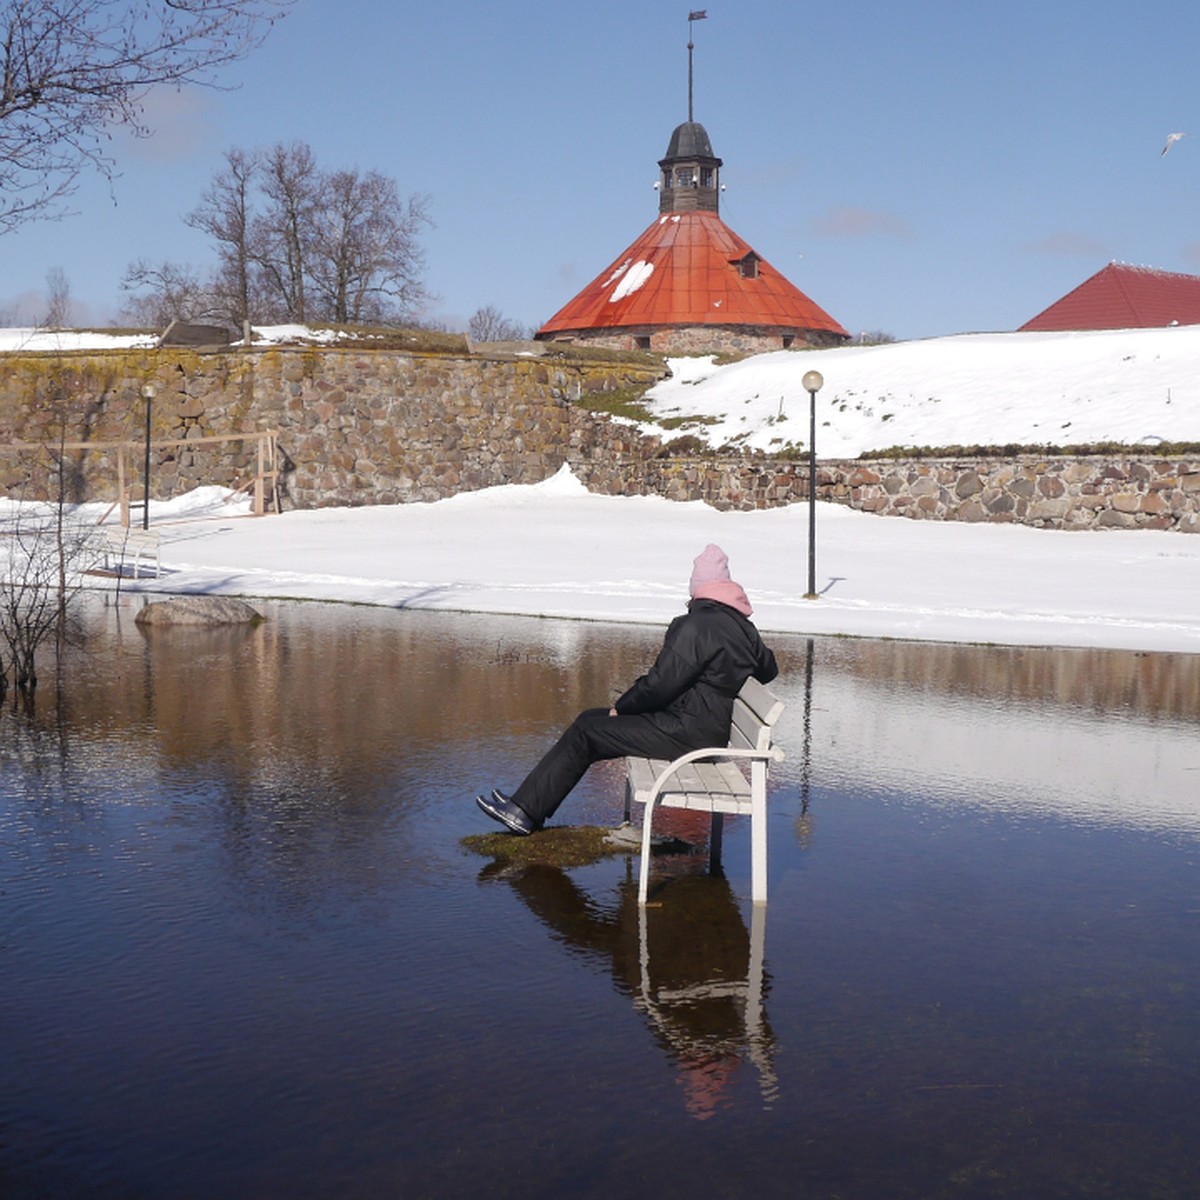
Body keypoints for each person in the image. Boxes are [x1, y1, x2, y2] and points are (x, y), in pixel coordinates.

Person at [476, 544, 779, 835]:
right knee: (588, 720)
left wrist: (622, 708)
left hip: (687, 734)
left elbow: (661, 684)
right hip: (702, 730)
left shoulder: (696, 625)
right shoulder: (742, 627)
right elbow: (769, 669)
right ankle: (525, 806)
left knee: (588, 732)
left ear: (699, 586)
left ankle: (525, 812)